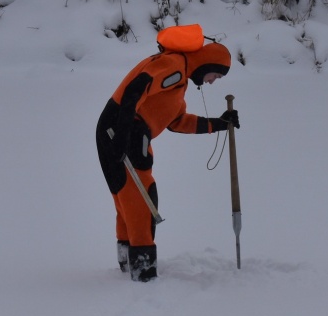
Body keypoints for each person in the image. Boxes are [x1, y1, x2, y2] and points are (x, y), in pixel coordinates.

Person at [95, 24, 239, 281]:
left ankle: (128, 265)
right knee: (141, 198)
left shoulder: (178, 81)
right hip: (122, 130)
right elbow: (136, 88)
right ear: (207, 65)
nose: (212, 81)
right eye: (215, 75)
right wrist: (123, 133)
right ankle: (143, 271)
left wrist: (218, 124)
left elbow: (177, 121)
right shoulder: (173, 66)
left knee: (127, 198)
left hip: (121, 130)